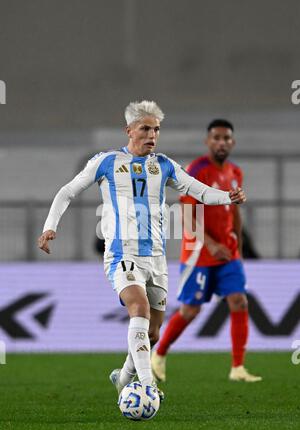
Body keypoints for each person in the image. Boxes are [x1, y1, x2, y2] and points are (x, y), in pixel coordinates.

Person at [38, 104, 246, 401]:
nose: (152, 135)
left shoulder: (164, 165)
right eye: (146, 129)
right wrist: (50, 227)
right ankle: (147, 387)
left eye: (157, 129)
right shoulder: (107, 161)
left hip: (156, 259)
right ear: (130, 131)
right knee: (139, 308)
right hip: (122, 255)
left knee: (152, 333)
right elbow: (68, 191)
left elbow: (198, 190)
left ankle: (122, 378)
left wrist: (229, 196)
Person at [151, 119, 262, 383]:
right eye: (216, 138)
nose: (221, 143)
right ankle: (159, 354)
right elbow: (187, 215)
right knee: (191, 310)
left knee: (239, 302)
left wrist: (239, 247)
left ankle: (237, 368)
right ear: (208, 141)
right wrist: (212, 244)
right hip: (200, 254)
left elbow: (234, 210)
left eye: (226, 138)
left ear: (232, 143)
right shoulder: (196, 170)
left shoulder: (235, 172)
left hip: (229, 254)